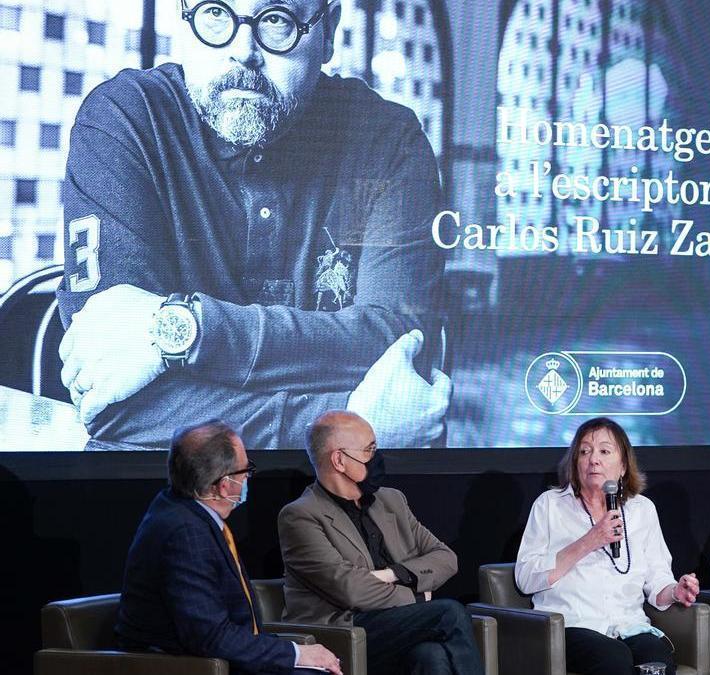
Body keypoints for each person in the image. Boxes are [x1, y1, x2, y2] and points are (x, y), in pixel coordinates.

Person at [56, 0, 448, 449]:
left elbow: (398, 347)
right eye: (215, 13)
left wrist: (187, 330)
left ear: (329, 32)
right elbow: (115, 408)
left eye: (277, 19)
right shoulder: (126, 121)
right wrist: (347, 428)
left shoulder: (386, 142)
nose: (243, 50)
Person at [115, 420, 343, 674]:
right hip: (184, 665)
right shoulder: (184, 533)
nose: (247, 478)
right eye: (246, 471)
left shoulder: (183, 510)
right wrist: (297, 653)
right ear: (225, 485)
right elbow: (210, 636)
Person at [278, 410, 483, 674]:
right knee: (449, 613)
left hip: (393, 625)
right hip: (343, 631)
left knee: (430, 655)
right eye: (369, 450)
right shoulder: (300, 516)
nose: (378, 458)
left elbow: (445, 557)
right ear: (339, 460)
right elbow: (350, 589)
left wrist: (392, 574)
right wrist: (417, 595)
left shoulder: (391, 500)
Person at [514, 417, 700, 675]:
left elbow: (657, 580)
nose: (593, 459)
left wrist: (675, 591)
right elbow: (525, 578)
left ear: (623, 466)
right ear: (575, 463)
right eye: (585, 451)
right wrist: (590, 540)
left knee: (657, 660)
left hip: (630, 625)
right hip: (571, 627)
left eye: (604, 451)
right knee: (614, 657)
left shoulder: (641, 510)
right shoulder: (549, 505)